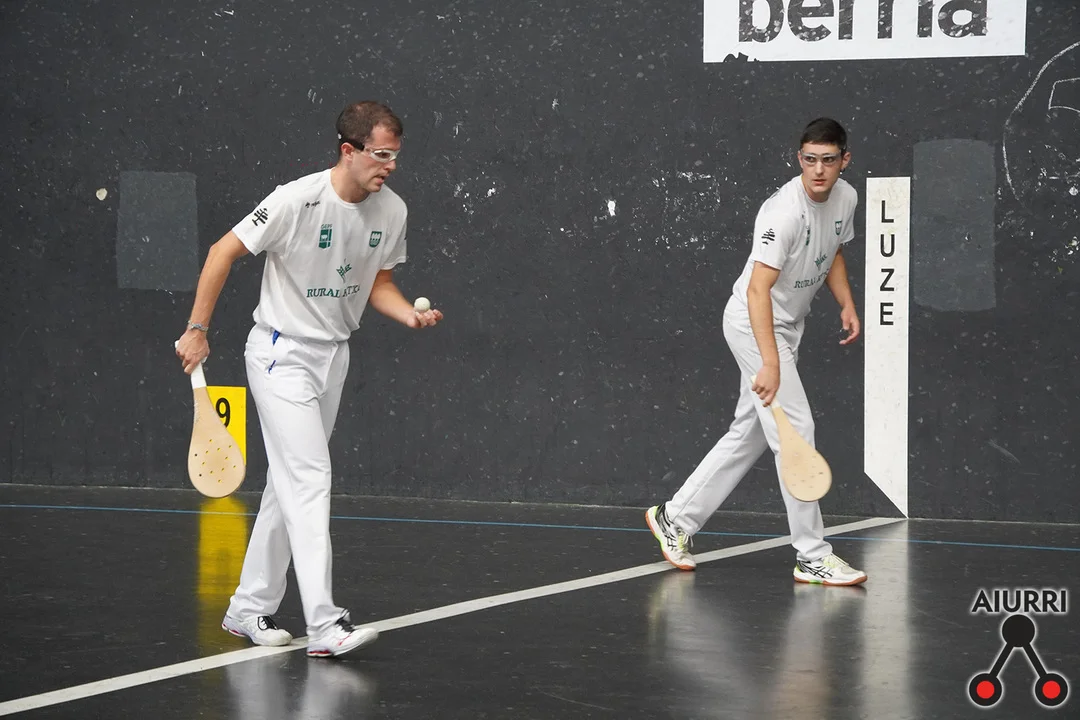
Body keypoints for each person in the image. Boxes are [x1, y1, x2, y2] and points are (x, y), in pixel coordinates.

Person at [175, 101, 443, 656]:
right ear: (348, 150)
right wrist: (197, 329)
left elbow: (378, 283)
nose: (390, 166)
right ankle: (324, 623)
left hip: (333, 357)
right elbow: (222, 252)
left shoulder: (392, 210)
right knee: (311, 477)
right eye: (381, 154)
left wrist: (408, 316)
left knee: (288, 484)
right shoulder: (295, 200)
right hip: (280, 354)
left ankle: (247, 608)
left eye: (396, 155)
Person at [646, 118, 866, 586]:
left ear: (844, 161)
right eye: (810, 160)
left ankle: (675, 518)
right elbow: (756, 291)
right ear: (799, 158)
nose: (818, 170)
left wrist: (846, 302)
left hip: (787, 326)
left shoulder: (846, 198)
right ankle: (812, 554)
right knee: (796, 431)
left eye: (829, 160)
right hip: (753, 323)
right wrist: (769, 361)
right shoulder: (783, 213)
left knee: (750, 432)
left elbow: (832, 252)